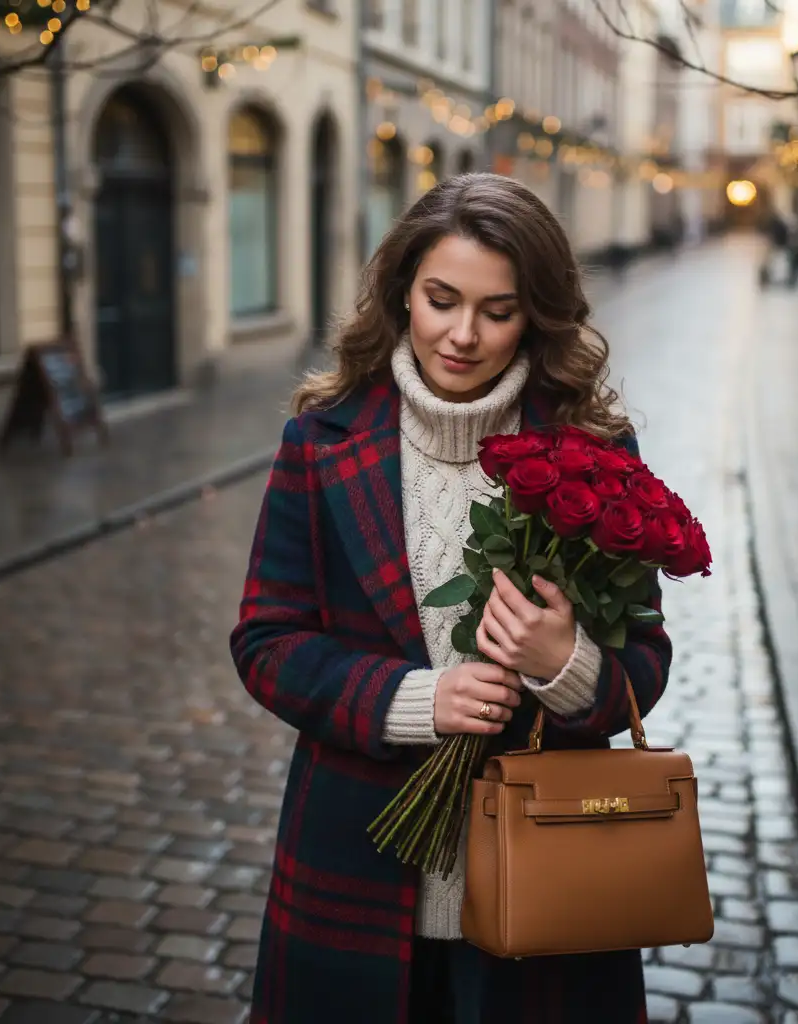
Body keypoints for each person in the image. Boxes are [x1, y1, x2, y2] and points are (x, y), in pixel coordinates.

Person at [230, 172, 673, 1024]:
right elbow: (266, 643)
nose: (462, 334)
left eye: (497, 311)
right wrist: (416, 699)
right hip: (353, 870)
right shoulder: (321, 443)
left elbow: (645, 665)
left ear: (536, 316)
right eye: (441, 299)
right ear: (402, 294)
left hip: (547, 881)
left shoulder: (593, 449)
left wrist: (567, 666)